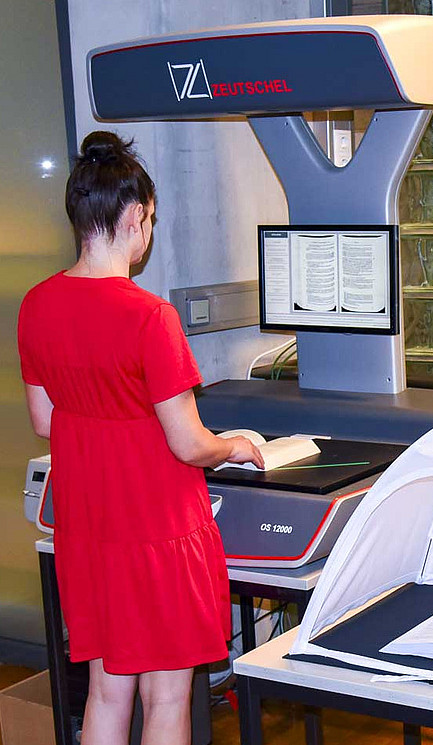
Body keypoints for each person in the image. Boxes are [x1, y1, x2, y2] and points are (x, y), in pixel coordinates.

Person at [17, 131, 264, 745]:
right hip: (159, 532)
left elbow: (46, 420)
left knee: (107, 689)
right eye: (149, 218)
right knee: (167, 698)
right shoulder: (149, 317)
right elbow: (187, 443)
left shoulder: (38, 304)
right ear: (134, 216)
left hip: (90, 532)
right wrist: (232, 444)